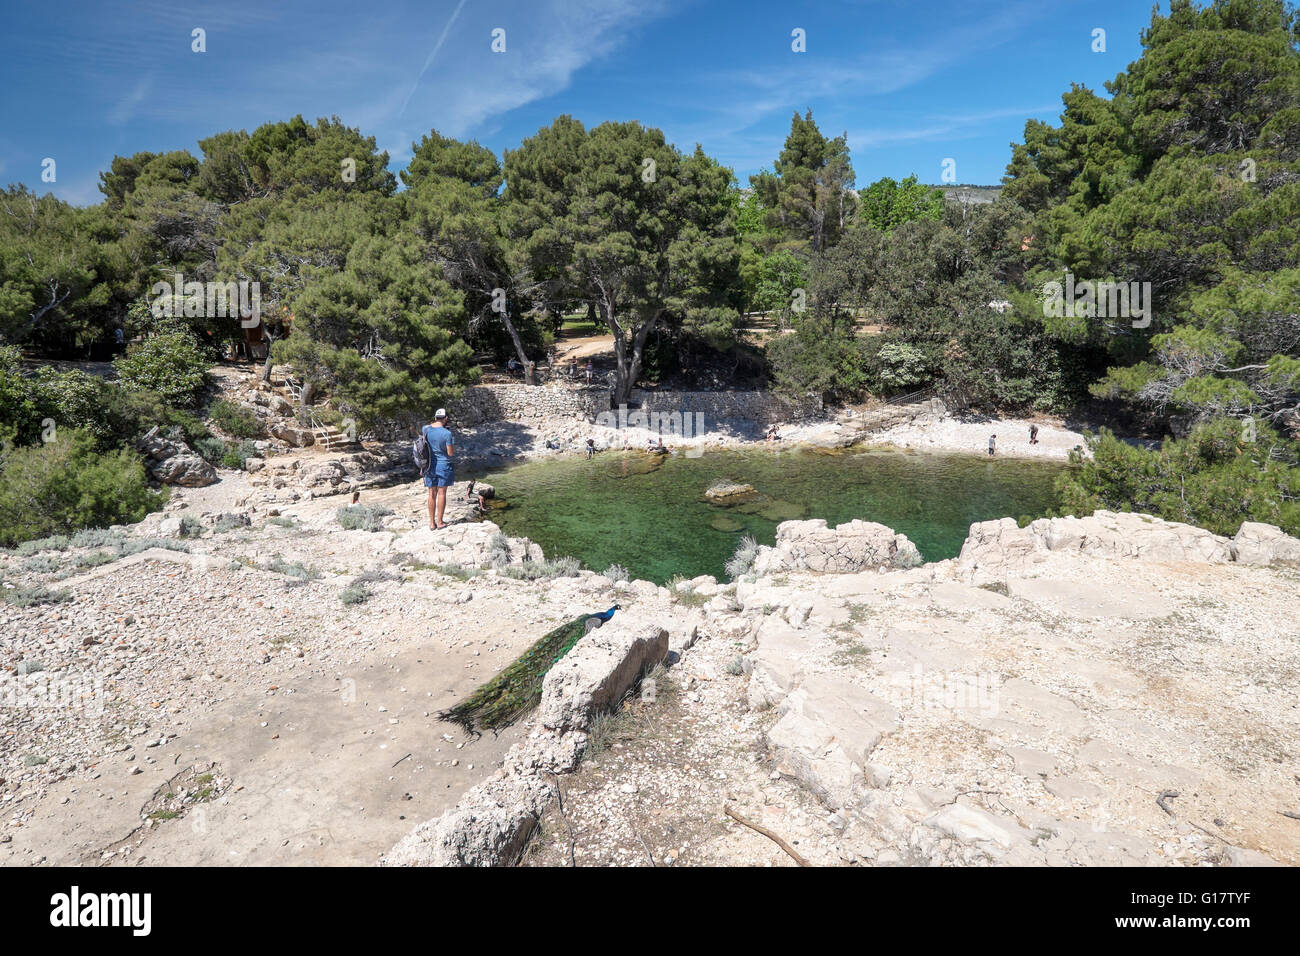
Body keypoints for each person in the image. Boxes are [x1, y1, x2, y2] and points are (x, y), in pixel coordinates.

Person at [422, 409, 455, 529]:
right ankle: (440, 522)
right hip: (443, 466)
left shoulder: (425, 429)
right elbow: (450, 453)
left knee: (431, 493)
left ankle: (432, 523)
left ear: (435, 417)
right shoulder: (447, 434)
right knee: (441, 493)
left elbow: (427, 428)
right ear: (446, 418)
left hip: (429, 465)